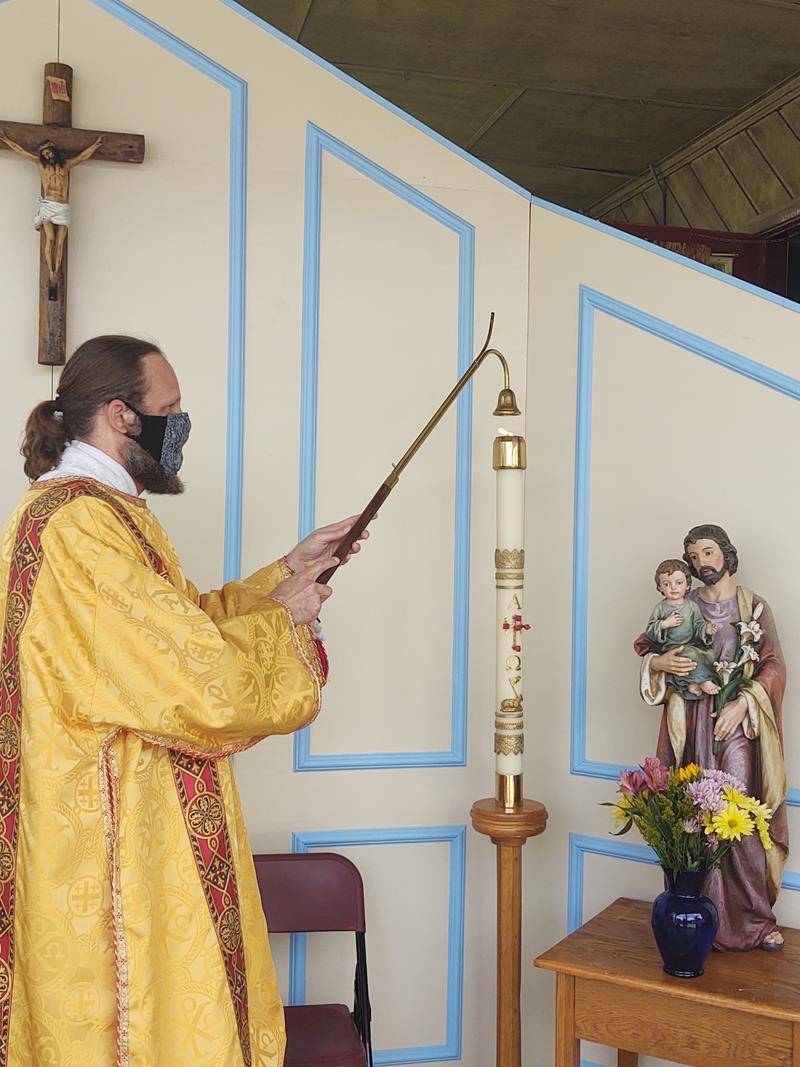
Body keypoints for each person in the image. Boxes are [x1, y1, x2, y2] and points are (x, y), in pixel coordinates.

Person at [0, 335, 366, 1066]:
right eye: (169, 409)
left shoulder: (104, 514)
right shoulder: (76, 527)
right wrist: (283, 616)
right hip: (110, 843)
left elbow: (182, 622)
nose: (180, 425)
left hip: (137, 819)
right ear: (120, 415)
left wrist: (288, 572)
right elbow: (193, 675)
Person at [637, 525, 788, 951]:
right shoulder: (682, 604)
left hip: (737, 724)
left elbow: (774, 667)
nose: (701, 562)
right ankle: (697, 912)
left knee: (738, 812)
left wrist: (743, 703)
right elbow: (651, 648)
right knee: (695, 814)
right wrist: (659, 664)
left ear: (725, 553)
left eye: (707, 552)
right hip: (692, 722)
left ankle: (754, 919)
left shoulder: (753, 607)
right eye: (693, 556)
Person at [0, 129, 103, 284]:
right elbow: (21, 151)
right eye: (45, 154)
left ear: (54, 151)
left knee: (60, 243)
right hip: (48, 205)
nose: (47, 156)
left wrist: (96, 145)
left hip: (62, 207)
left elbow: (82, 157)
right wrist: (6, 140)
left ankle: (57, 271)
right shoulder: (40, 165)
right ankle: (51, 271)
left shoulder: (66, 165)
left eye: (49, 152)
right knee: (50, 238)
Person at [644, 558, 719, 698]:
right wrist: (665, 624)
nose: (673, 588)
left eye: (679, 583)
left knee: (707, 655)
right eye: (667, 584)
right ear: (660, 587)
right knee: (686, 656)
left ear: (687, 585)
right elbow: (650, 631)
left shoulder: (692, 607)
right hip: (671, 647)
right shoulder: (660, 608)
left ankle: (692, 684)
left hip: (690, 644)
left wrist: (706, 629)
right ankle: (703, 681)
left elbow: (698, 624)